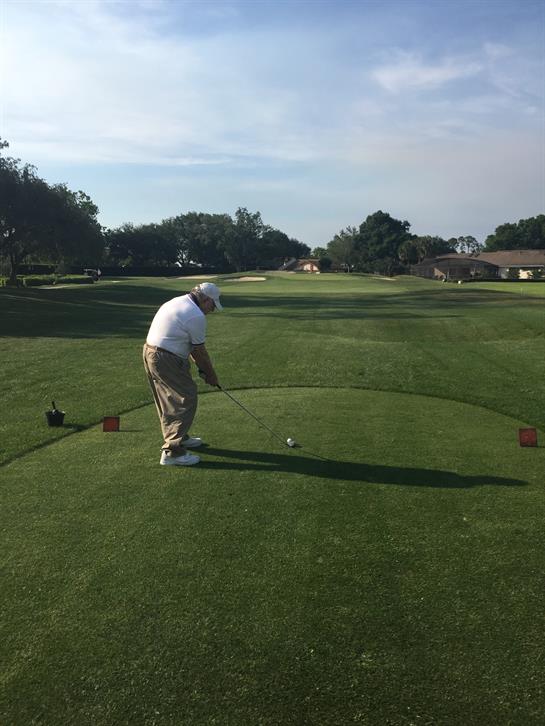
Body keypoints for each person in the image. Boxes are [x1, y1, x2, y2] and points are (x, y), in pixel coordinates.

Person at [143, 282, 223, 467]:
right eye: (212, 305)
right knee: (185, 398)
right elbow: (199, 352)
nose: (212, 310)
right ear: (204, 299)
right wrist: (211, 375)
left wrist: (203, 370)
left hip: (152, 352)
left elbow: (192, 349)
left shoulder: (178, 301)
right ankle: (173, 452)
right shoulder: (195, 315)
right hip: (166, 357)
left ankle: (181, 437)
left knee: (170, 400)